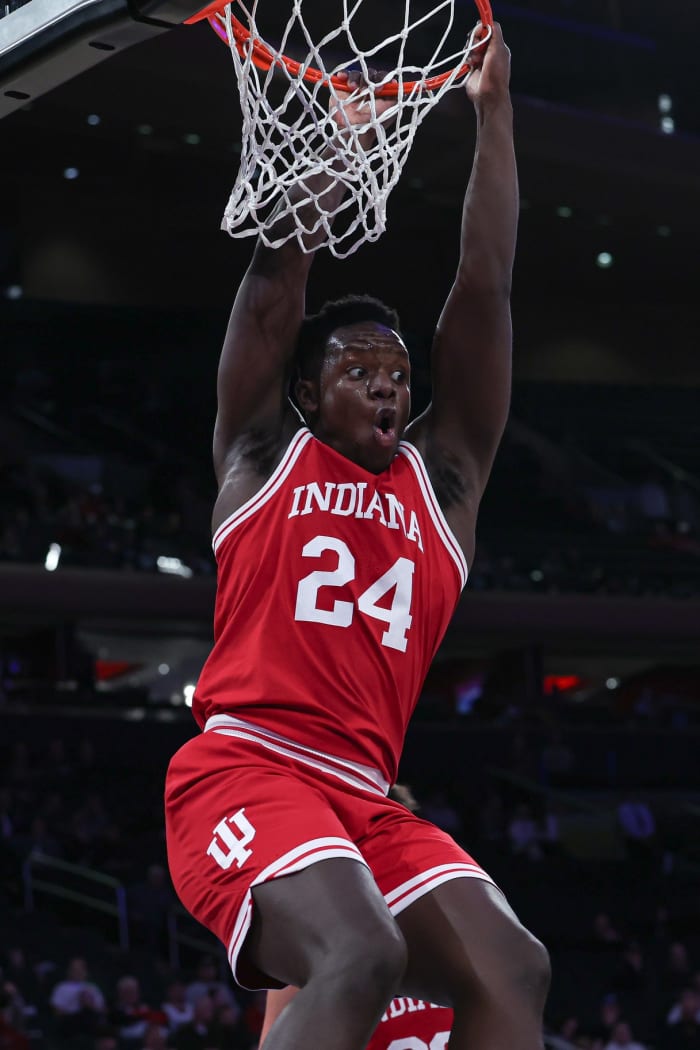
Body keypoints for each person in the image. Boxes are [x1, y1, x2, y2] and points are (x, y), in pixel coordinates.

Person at [165, 20, 549, 1050]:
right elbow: (269, 298)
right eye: (357, 370)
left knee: (513, 967)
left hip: (362, 800)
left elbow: (485, 289)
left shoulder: (444, 482)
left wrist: (495, 113)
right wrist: (328, 157)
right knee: (360, 953)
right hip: (245, 771)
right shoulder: (261, 458)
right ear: (304, 392)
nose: (386, 383)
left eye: (397, 374)